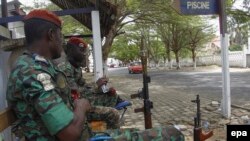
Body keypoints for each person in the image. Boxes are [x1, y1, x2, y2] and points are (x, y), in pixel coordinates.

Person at [6, 9, 91, 141]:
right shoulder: (31, 71)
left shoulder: (43, 65)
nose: (62, 42)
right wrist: (81, 106)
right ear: (51, 35)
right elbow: (70, 133)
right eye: (60, 36)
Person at [56, 37, 120, 129]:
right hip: (75, 108)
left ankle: (100, 128)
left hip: (81, 102)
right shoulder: (65, 68)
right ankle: (96, 129)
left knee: (111, 95)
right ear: (73, 50)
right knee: (114, 114)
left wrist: (100, 88)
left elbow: (83, 86)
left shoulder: (75, 67)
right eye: (81, 51)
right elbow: (75, 93)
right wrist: (96, 85)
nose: (84, 54)